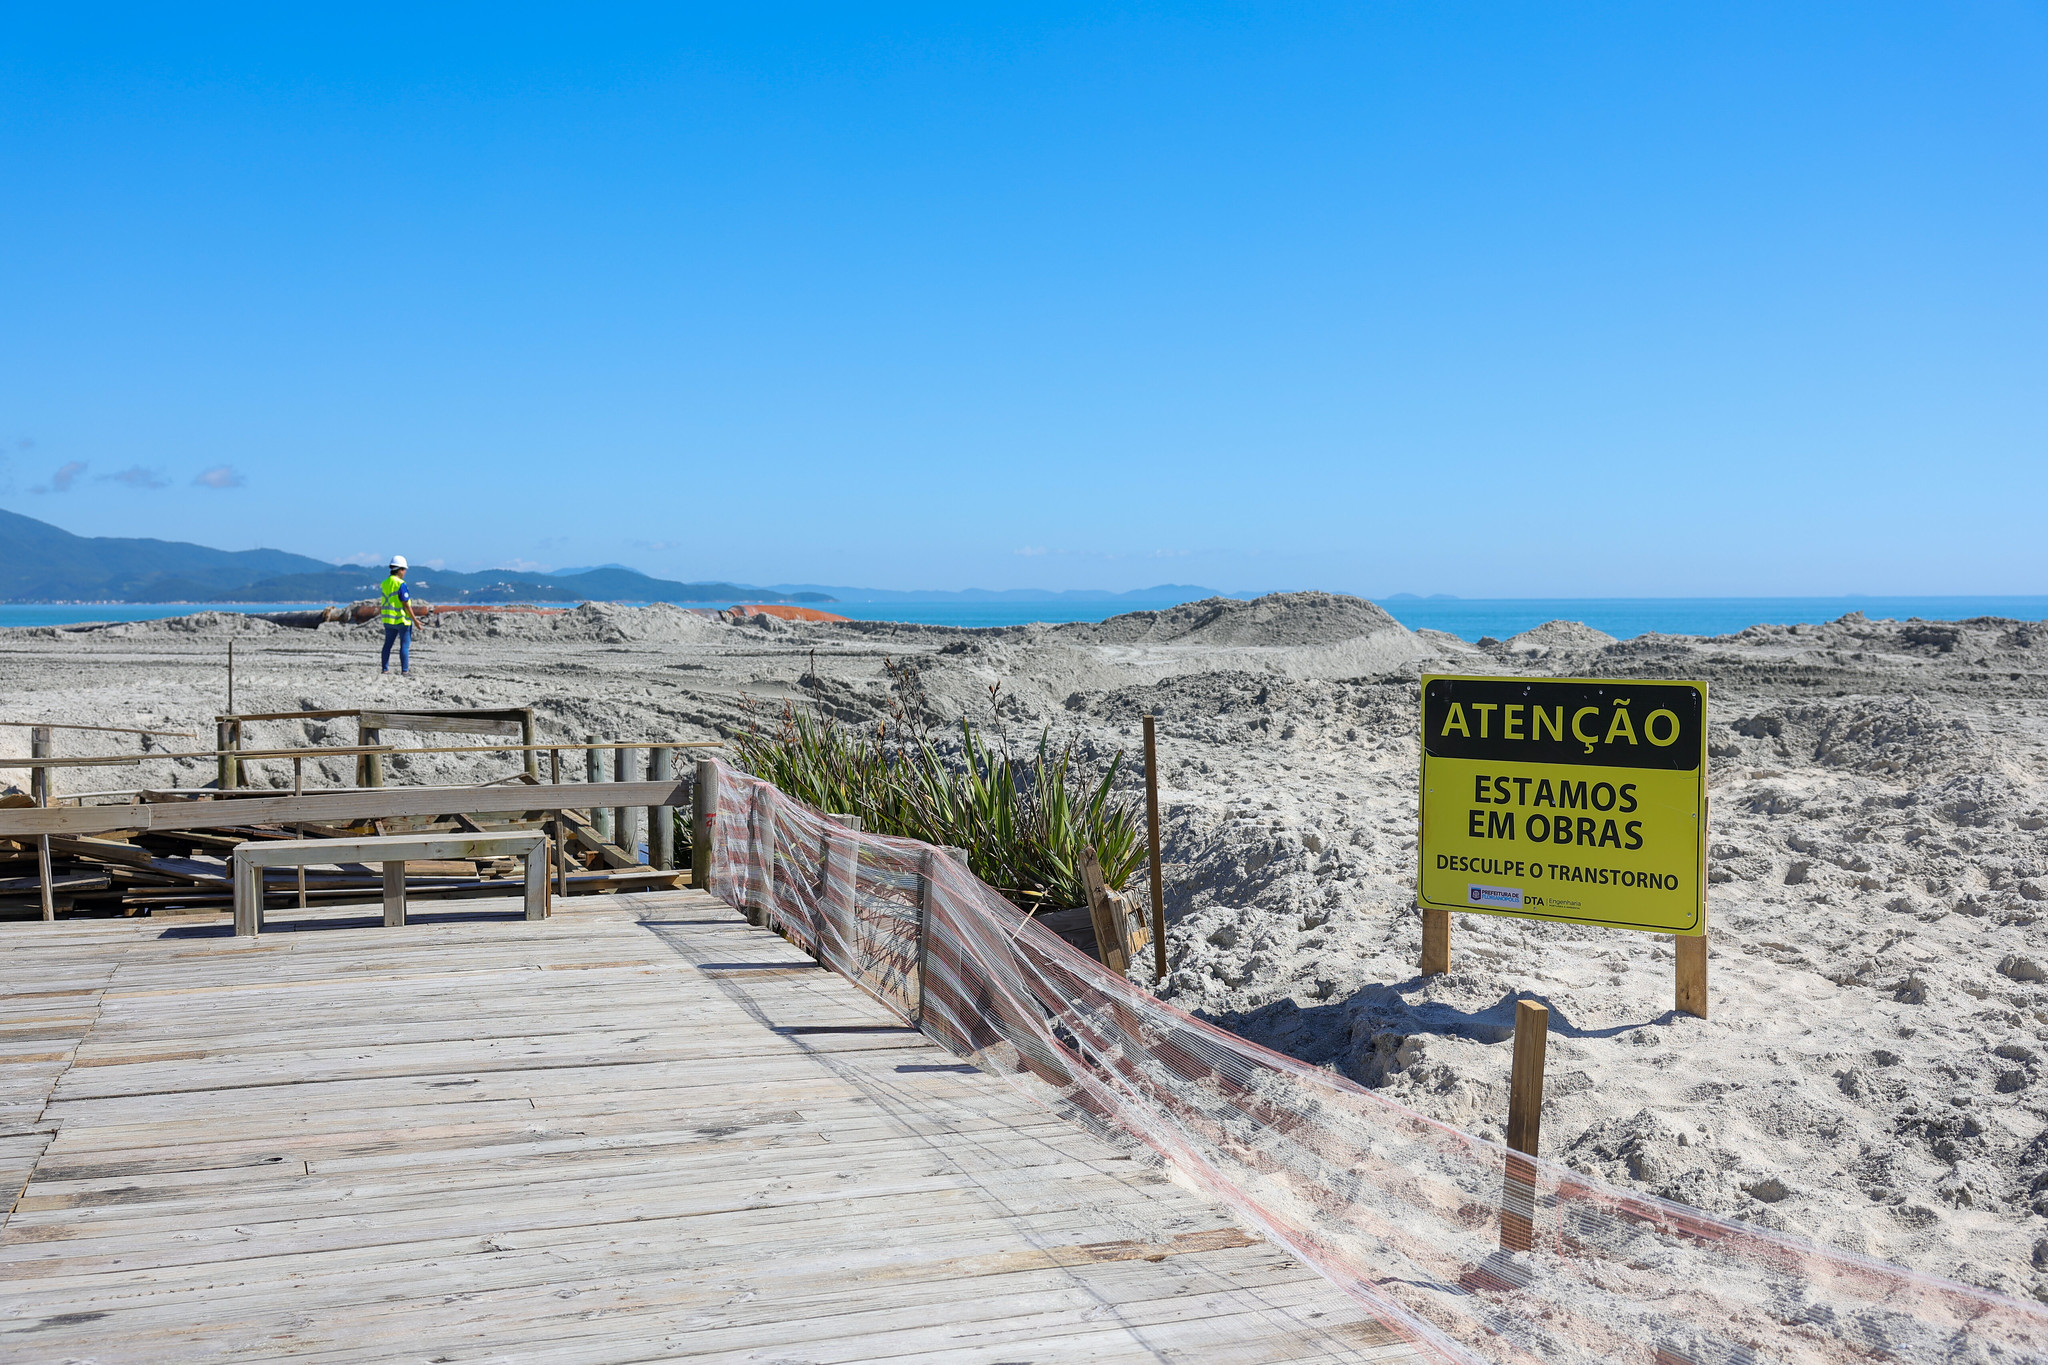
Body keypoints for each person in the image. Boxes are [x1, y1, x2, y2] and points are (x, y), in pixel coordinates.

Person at [378, 556, 421, 674]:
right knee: (404, 646)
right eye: (405, 570)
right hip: (402, 620)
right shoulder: (401, 584)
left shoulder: (385, 583)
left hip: (388, 620)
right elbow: (406, 604)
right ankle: (405, 671)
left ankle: (385, 669)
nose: (405, 572)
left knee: (387, 645)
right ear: (400, 569)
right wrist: (415, 620)